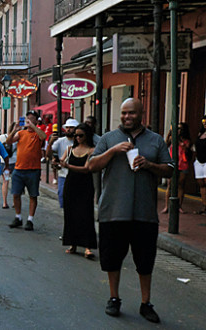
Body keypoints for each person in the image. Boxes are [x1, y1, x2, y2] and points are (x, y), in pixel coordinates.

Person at [87, 98, 172, 323]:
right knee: (112, 259)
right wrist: (113, 151)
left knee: (145, 261)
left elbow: (170, 170)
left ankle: (146, 303)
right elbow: (91, 166)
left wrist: (150, 165)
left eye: (132, 113)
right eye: (124, 113)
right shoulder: (108, 139)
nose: (127, 117)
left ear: (141, 114)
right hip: (113, 211)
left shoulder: (155, 140)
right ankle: (114, 298)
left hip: (144, 214)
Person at [61, 124, 97, 259]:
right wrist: (56, 163)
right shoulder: (70, 149)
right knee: (70, 213)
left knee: (86, 213)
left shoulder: (92, 151)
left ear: (87, 135)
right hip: (71, 184)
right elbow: (61, 161)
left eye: (81, 135)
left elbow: (87, 169)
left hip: (85, 185)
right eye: (76, 135)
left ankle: (88, 246)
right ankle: (73, 243)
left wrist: (68, 166)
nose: (78, 138)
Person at [6, 110, 46, 231]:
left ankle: (30, 219)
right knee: (16, 194)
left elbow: (43, 137)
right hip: (19, 168)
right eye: (27, 117)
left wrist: (33, 126)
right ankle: (18, 217)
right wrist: (15, 129)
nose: (29, 120)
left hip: (33, 169)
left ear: (36, 120)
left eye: (31, 118)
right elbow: (9, 141)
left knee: (33, 195)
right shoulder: (22, 133)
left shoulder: (37, 133)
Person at [47, 118, 79, 208]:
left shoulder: (79, 141)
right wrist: (50, 143)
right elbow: (48, 154)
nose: (68, 129)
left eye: (71, 127)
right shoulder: (60, 141)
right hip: (63, 173)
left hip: (76, 172)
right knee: (61, 194)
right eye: (67, 127)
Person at [161, 122, 191, 214]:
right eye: (177, 129)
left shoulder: (186, 140)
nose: (179, 130)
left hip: (183, 163)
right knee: (170, 185)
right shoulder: (172, 138)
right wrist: (171, 134)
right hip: (173, 164)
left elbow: (187, 148)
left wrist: (179, 140)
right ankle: (167, 206)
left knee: (181, 185)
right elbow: (165, 145)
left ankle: (179, 206)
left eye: (181, 129)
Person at [0, 134, 17, 209]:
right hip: (14, 162)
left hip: (4, 162)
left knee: (5, 182)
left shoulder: (2, 137)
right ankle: (14, 202)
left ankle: (4, 202)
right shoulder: (16, 137)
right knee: (15, 182)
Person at [193, 116, 206, 215]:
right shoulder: (200, 133)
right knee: (201, 183)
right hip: (198, 161)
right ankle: (204, 205)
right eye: (203, 121)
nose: (204, 123)